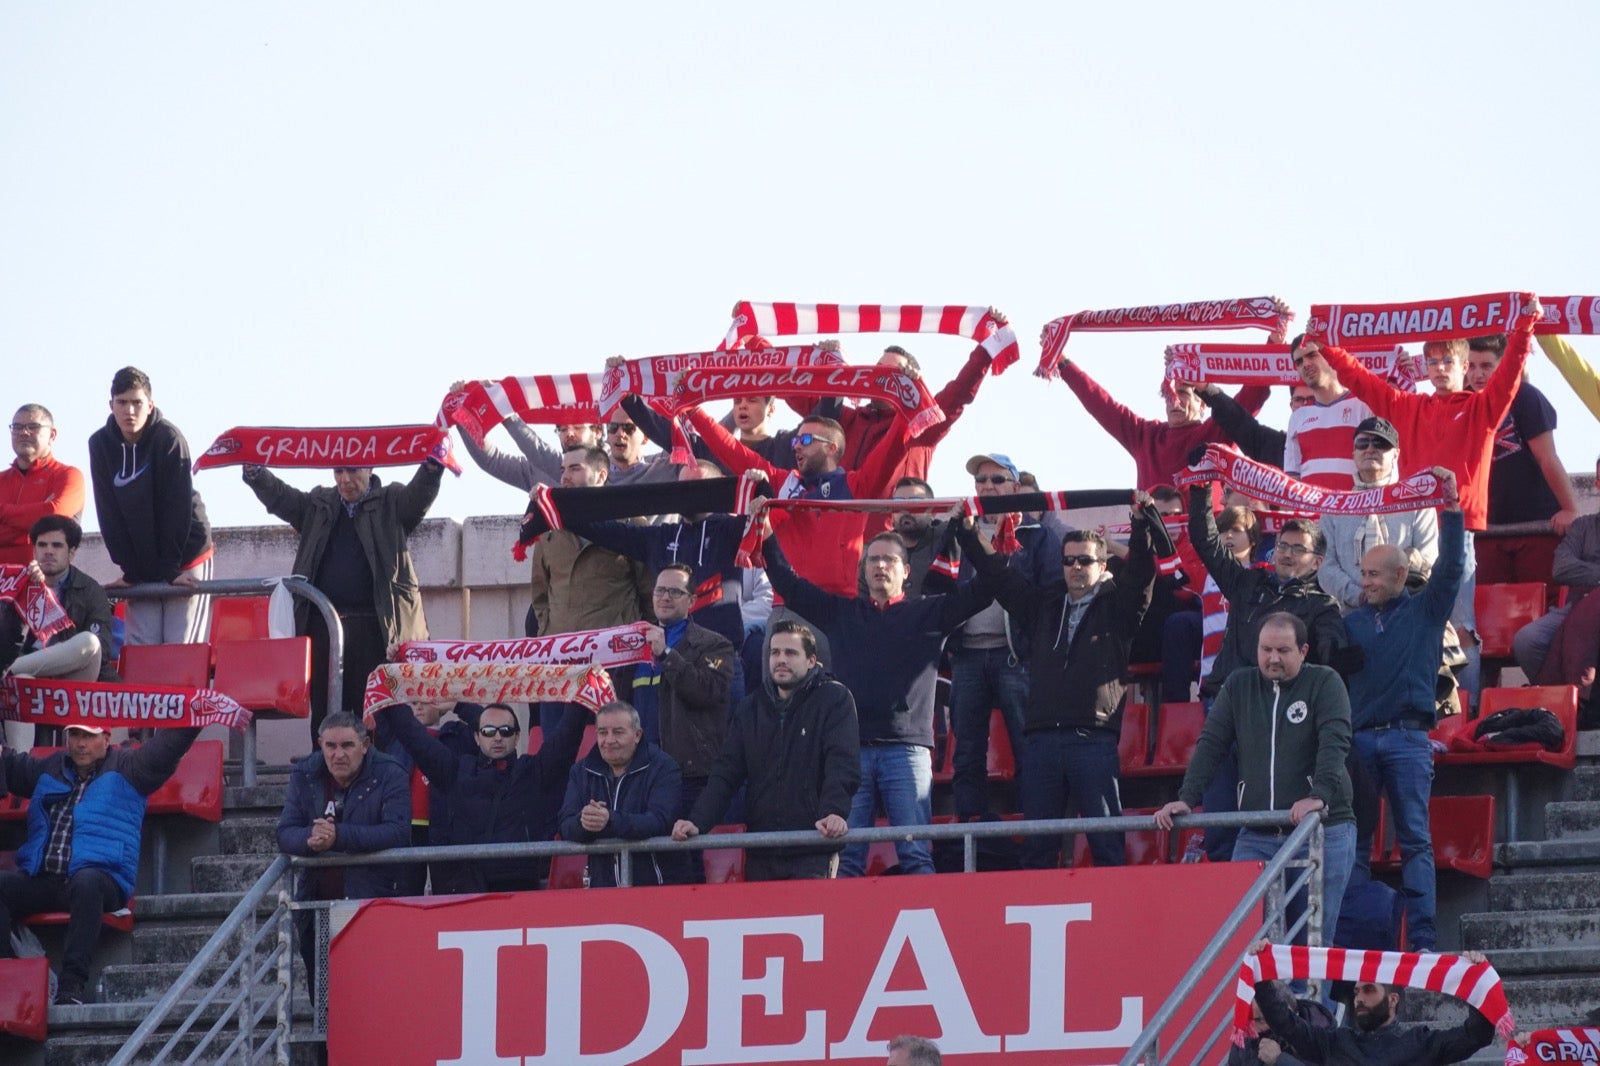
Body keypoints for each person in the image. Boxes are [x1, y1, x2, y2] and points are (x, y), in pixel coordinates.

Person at [1316, 302, 1542, 701]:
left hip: (1457, 531)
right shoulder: (1408, 406)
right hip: (1406, 530)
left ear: (1463, 365)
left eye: (1447, 360)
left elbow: (1508, 378)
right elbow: (1360, 380)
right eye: (1431, 360)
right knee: (1395, 623)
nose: (1439, 368)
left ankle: (1461, 719)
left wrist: (1524, 328)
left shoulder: (1482, 408)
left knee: (1459, 626)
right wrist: (1327, 346)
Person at [762, 530, 990, 876]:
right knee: (846, 861)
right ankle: (847, 931)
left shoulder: (931, 612)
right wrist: (764, 533)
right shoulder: (841, 613)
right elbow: (788, 583)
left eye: (889, 559)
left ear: (906, 571)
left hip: (908, 752)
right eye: (873, 559)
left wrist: (969, 533)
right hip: (850, 754)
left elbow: (988, 587)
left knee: (916, 855)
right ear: (864, 569)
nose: (880, 565)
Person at [957, 496, 1158, 869]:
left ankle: (1115, 919)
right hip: (1042, 741)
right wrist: (968, 533)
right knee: (1037, 849)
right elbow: (998, 575)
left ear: (1103, 564)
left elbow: (1143, 572)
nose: (1076, 568)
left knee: (1106, 844)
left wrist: (1141, 525)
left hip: (1092, 739)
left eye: (1085, 561)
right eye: (1069, 561)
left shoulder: (1120, 607)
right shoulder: (1044, 605)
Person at [1154, 614, 1357, 947]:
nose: (1273, 658)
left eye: (1283, 650)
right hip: (1257, 832)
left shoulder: (1325, 682)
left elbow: (1335, 741)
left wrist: (1318, 795)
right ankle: (1263, 1001)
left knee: (1313, 940)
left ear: (1303, 651)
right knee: (1248, 937)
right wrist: (1187, 797)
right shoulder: (1238, 685)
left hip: (1322, 831)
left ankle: (1310, 1001)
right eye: (1266, 649)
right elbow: (1211, 744)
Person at [1345, 469, 1465, 952]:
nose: (1365, 581)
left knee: (1414, 839)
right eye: (1363, 573)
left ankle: (1421, 942)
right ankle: (1349, 934)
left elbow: (1452, 566)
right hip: (1357, 742)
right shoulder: (1348, 623)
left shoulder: (1425, 610)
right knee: (1351, 842)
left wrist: (1451, 509)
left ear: (1400, 575)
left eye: (1375, 574)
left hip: (1407, 739)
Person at [0, 720, 201, 1004]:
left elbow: (165, 750)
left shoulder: (130, 768)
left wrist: (195, 718)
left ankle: (72, 986)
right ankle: (9, 976)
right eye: (75, 735)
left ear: (106, 739)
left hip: (103, 880)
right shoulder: (51, 766)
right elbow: (10, 764)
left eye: (89, 736)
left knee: (86, 882)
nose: (81, 744)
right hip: (45, 879)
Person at [243, 457, 444, 736]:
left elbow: (417, 497)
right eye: (338, 471)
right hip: (323, 629)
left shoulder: (392, 501)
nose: (345, 479)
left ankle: (377, 778)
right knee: (326, 718)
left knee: (380, 718)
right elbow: (281, 498)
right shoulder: (318, 503)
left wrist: (431, 468)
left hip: (378, 631)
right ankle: (326, 776)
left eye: (353, 470)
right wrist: (255, 472)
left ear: (371, 468)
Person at [672, 621, 860, 882]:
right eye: (775, 653)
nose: (781, 660)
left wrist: (833, 811)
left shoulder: (835, 699)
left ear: (811, 661)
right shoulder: (750, 708)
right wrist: (698, 821)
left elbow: (842, 764)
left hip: (814, 847)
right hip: (762, 851)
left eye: (790, 653)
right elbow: (726, 773)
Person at [685, 410, 913, 596]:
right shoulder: (783, 482)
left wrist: (905, 405)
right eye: (796, 440)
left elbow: (892, 448)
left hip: (838, 606)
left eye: (806, 440)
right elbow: (732, 450)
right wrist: (693, 411)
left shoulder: (857, 485)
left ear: (831, 448)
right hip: (788, 603)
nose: (796, 446)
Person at [945, 454, 1060, 820]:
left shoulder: (1037, 535)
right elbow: (939, 587)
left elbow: (1051, 597)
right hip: (967, 656)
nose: (988, 487)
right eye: (981, 480)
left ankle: (1035, 841)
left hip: (1018, 656)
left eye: (997, 479)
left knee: (1029, 752)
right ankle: (968, 844)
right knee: (965, 756)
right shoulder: (958, 531)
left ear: (1015, 485)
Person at [376, 701, 586, 893]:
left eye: (505, 731)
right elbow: (411, 734)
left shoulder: (534, 772)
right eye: (488, 731)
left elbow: (569, 733)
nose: (497, 737)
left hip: (520, 892)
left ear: (517, 736)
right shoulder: (455, 772)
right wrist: (389, 677)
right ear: (476, 737)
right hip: (464, 894)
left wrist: (584, 673)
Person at [276, 712, 410, 994]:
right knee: (322, 996)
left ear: (365, 744)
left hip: (371, 901)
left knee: (370, 992)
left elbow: (398, 832)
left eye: (347, 746)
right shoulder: (305, 773)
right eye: (331, 746)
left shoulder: (390, 772)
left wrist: (338, 836)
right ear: (320, 745)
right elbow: (285, 832)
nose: (338, 754)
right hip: (316, 901)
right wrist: (310, 838)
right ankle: (325, 1040)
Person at [528, 445, 653, 732]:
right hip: (559, 661)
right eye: (563, 470)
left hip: (615, 661)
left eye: (575, 468)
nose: (565, 477)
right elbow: (540, 594)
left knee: (616, 742)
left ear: (600, 475)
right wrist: (551, 630)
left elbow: (648, 590)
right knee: (558, 752)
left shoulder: (631, 522)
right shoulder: (548, 528)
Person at [87, 366, 214, 646]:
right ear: (111, 405)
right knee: (143, 646)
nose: (129, 411)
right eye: (122, 402)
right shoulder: (99, 444)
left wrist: (170, 571)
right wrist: (130, 570)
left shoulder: (169, 438)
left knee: (179, 647)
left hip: (185, 554)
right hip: (141, 563)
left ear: (150, 405)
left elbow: (176, 508)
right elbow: (108, 513)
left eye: (137, 402)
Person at [627, 563, 734, 871]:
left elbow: (707, 691)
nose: (665, 597)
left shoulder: (714, 644)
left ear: (691, 601)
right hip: (638, 772)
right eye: (660, 590)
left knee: (682, 860)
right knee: (641, 863)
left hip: (686, 775)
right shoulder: (633, 643)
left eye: (676, 591)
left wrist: (666, 655)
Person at [1248, 940, 1497, 1065]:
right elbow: (1285, 1023)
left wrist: (1476, 983)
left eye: (1368, 991)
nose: (1359, 999)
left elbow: (1477, 1035)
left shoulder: (1419, 1043)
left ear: (1392, 1000)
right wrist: (1262, 976)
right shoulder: (1335, 1041)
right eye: (1356, 992)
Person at [1060, 350, 1270, 491]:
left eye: (1183, 393)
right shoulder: (1145, 436)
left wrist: (1274, 343)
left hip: (1201, 548)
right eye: (1168, 394)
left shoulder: (1217, 431)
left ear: (1202, 403)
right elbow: (1102, 404)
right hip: (1154, 546)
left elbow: (1252, 395)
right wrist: (1064, 364)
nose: (1174, 400)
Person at [1466, 333, 1581, 584]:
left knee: (1539, 605)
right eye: (1470, 366)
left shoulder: (1525, 396)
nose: (1477, 374)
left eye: (1486, 366)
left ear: (1504, 364)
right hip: (1487, 531)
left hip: (1536, 525)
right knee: (1489, 613)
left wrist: (1570, 509)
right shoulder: (1461, 401)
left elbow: (1547, 458)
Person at [0, 516, 118, 747]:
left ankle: (5, 672)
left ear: (71, 553)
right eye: (42, 545)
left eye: (57, 545)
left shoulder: (91, 589)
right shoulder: (17, 584)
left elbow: (102, 649)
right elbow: (5, 640)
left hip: (74, 675)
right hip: (30, 675)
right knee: (20, 682)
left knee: (90, 642)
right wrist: (30, 590)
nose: (48, 552)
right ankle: (20, 768)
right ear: (34, 550)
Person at [1316, 417, 1439, 612]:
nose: (1370, 449)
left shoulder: (1417, 503)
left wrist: (1392, 595)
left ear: (1396, 454)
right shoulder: (1335, 507)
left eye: (1381, 444)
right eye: (1363, 443)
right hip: (1350, 616)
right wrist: (1359, 596)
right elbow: (1325, 566)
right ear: (1353, 453)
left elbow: (1428, 559)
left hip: (1405, 612)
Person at [557, 702, 682, 887]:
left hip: (656, 890)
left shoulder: (664, 767)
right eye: (602, 732)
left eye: (618, 732)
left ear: (637, 735)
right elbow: (565, 824)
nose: (609, 740)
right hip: (602, 892)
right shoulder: (580, 771)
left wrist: (609, 820)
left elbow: (659, 820)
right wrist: (585, 823)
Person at [1513, 459, 1600, 680]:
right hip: (1577, 608)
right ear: (1598, 484)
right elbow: (1561, 568)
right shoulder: (1583, 526)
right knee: (1527, 640)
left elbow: (1573, 567)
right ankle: (1557, 700)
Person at [1281, 338, 1375, 489]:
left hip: (1355, 510)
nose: (1305, 364)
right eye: (1299, 362)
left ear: (1329, 354)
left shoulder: (1363, 405)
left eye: (1312, 355)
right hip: (1310, 511)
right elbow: (1291, 482)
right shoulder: (1297, 417)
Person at [0, 404, 85, 567]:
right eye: (17, 427)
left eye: (33, 427)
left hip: (46, 585)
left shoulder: (68, 475)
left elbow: (54, 516)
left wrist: (2, 511)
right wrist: (37, 518)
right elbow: (46, 523)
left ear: (52, 435)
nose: (24, 432)